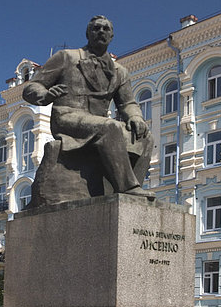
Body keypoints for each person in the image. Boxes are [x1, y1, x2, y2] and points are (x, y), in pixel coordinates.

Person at [23, 15, 153, 198]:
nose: (101, 31)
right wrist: (45, 95)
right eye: (96, 28)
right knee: (110, 126)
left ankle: (131, 192)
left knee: (145, 137)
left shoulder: (120, 72)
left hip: (96, 122)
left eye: (106, 29)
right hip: (67, 117)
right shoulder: (66, 57)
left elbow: (127, 103)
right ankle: (127, 188)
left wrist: (136, 117)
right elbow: (31, 87)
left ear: (112, 36)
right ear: (87, 33)